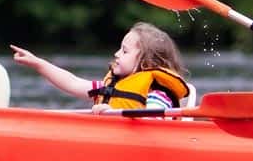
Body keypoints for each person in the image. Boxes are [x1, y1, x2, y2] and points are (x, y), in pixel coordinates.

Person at [11, 22, 190, 111]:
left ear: (147, 62)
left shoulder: (158, 95)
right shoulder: (108, 87)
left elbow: (155, 121)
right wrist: (38, 63)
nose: (116, 54)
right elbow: (72, 83)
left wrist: (114, 114)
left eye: (124, 51)